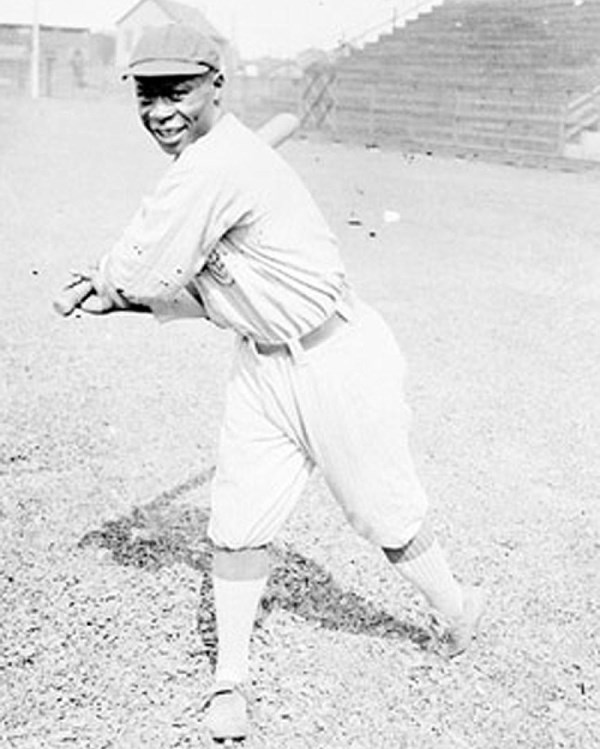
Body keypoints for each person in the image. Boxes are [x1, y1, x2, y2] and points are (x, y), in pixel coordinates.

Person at [71, 23, 484, 744]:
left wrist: (114, 284)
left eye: (179, 90)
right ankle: (230, 679)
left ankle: (457, 608)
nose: (162, 110)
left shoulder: (219, 166)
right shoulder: (209, 168)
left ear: (217, 86)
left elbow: (144, 266)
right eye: (148, 93)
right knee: (236, 520)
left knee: (384, 516)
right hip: (261, 362)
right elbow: (206, 291)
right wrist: (127, 298)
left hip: (338, 357)